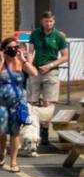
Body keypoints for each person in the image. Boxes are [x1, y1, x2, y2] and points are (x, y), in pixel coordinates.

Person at [0, 36, 36, 172]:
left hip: (17, 102)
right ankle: (2, 149)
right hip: (0, 102)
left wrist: (23, 60)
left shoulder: (21, 62)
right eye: (10, 48)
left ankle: (13, 161)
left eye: (16, 47)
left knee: (15, 132)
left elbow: (34, 72)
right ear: (3, 50)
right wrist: (1, 60)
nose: (13, 50)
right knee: (1, 130)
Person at [28, 11, 70, 142]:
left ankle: (45, 131)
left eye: (51, 21)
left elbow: (65, 56)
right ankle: (29, 128)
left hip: (51, 72)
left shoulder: (59, 36)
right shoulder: (35, 34)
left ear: (54, 21)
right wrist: (29, 65)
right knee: (30, 101)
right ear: (42, 21)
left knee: (48, 102)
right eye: (46, 21)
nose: (49, 23)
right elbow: (30, 51)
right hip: (35, 70)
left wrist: (50, 65)